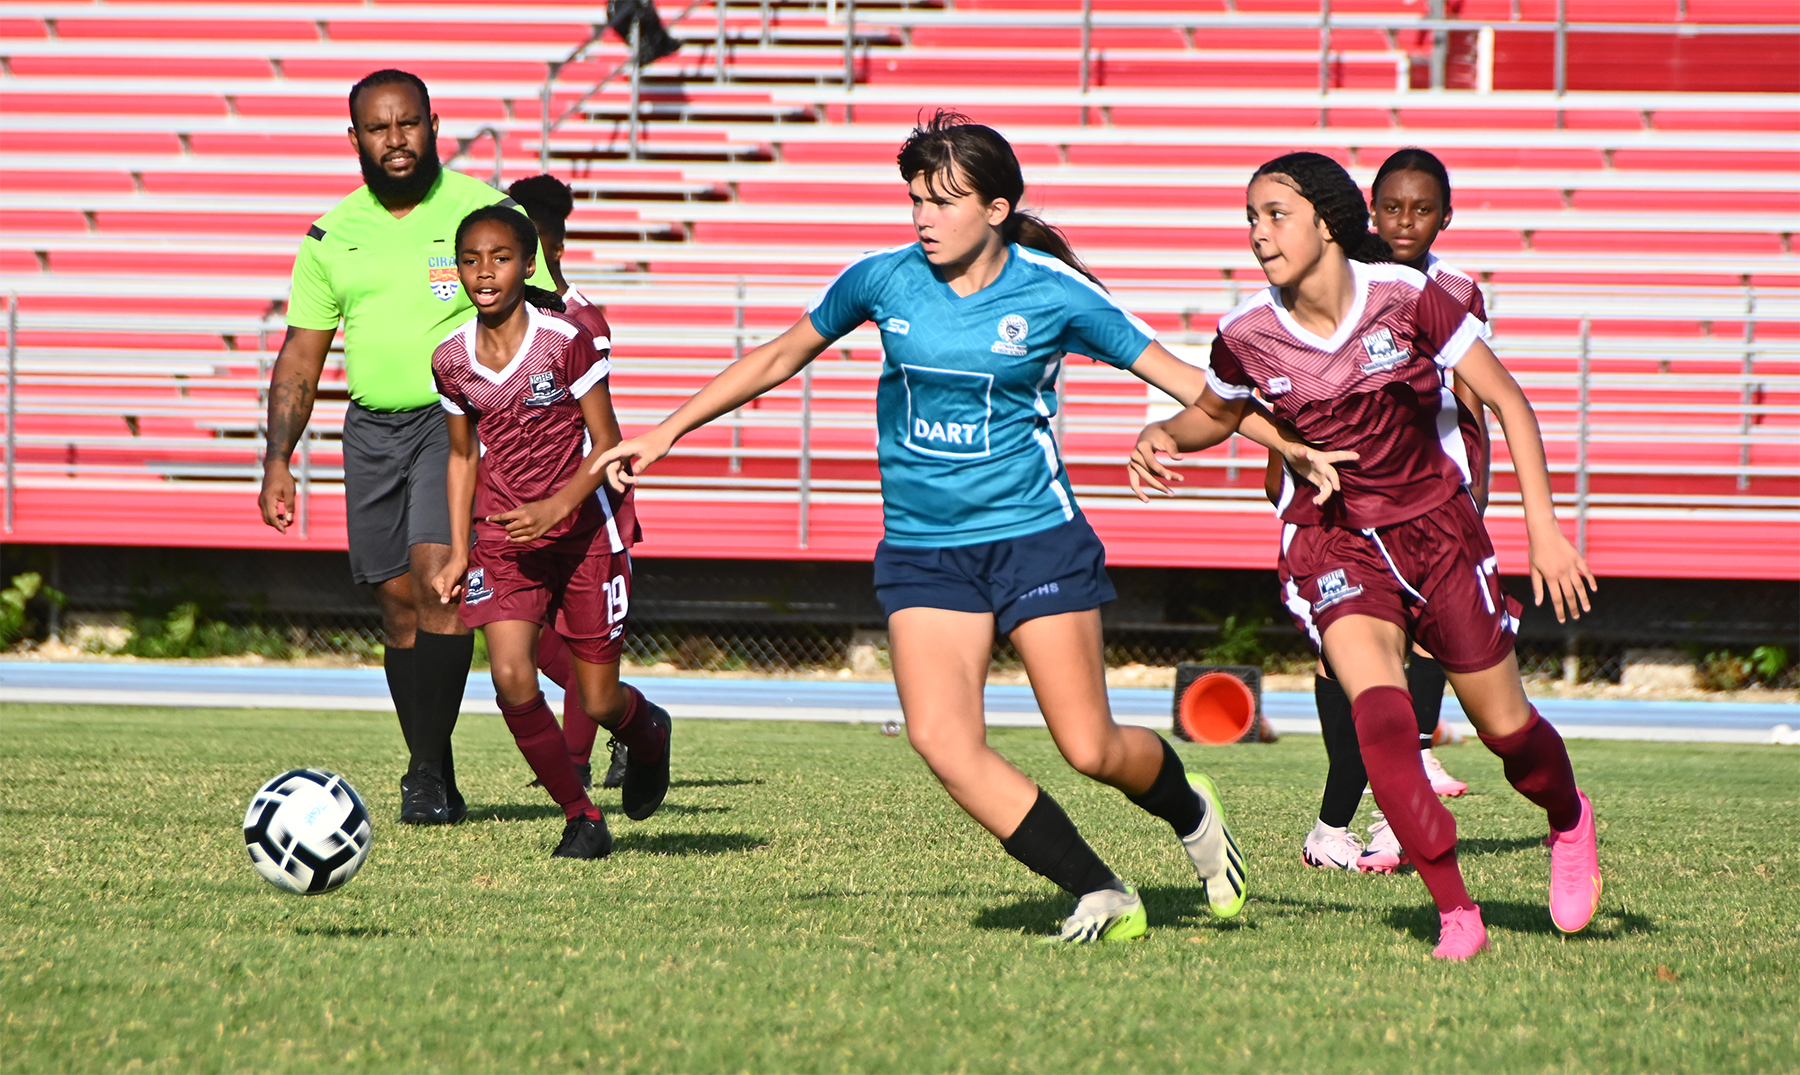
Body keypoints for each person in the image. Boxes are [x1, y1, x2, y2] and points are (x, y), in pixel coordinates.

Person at [591, 112, 1351, 942]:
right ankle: (1100, 889)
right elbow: (778, 354)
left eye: (943, 201)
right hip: (924, 548)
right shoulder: (882, 279)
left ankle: (1192, 808)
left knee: (1090, 747)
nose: (922, 216)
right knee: (943, 742)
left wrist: (1289, 444)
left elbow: (1189, 383)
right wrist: (669, 428)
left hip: (1035, 538)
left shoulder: (1054, 292)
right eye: (915, 198)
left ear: (995, 209)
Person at [1129, 152, 1602, 960]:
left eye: (1274, 215)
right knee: (1381, 720)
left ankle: (1569, 818)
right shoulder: (1247, 332)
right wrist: (1164, 433)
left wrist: (1546, 530)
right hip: (1334, 540)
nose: (1257, 233)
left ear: (1324, 220)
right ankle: (1455, 909)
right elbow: (1215, 412)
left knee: (1506, 729)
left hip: (1439, 531)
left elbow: (1511, 403)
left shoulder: (1410, 299)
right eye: (1249, 218)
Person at [260, 69, 553, 825]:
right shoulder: (330, 235)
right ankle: (438, 768)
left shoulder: (487, 216)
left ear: (433, 123)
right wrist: (277, 459)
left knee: (439, 584)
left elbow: (552, 324)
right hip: (370, 430)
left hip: (455, 424)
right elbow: (301, 355)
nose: (397, 140)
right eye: (379, 128)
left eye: (409, 123)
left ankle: (420, 772)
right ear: (354, 137)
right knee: (397, 608)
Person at [428, 206, 670, 859]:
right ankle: (581, 816)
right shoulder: (450, 359)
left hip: (585, 533)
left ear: (528, 264)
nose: (484, 271)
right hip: (502, 537)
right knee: (511, 674)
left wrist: (558, 506)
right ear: (456, 270)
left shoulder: (565, 340)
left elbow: (610, 441)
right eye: (471, 259)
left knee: (597, 699)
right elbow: (461, 456)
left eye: (500, 257)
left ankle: (647, 730)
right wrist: (457, 549)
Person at [1275, 147, 1488, 875]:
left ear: (1445, 217)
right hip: (1334, 500)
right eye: (1391, 207)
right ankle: (1340, 816)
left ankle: (1393, 813)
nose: (1405, 220)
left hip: (1426, 501)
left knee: (1421, 650)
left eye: (1421, 208)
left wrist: (1472, 501)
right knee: (1350, 661)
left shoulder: (1453, 292)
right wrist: (1283, 468)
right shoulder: (1324, 279)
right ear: (1368, 211)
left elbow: (1472, 406)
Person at [506, 172, 631, 792]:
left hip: (583, 501)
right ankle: (607, 724)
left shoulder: (581, 321)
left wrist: (574, 494)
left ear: (548, 248)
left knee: (580, 642)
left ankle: (582, 758)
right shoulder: (489, 323)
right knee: (518, 637)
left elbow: (595, 428)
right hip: (515, 501)